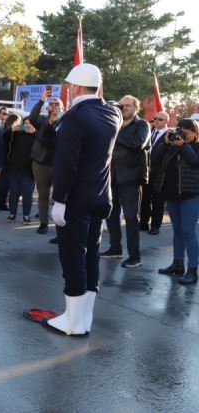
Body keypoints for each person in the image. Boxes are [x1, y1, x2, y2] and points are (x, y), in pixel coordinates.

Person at [44, 63, 121, 336]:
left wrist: (60, 199)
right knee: (91, 256)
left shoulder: (75, 117)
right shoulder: (113, 112)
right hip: (102, 196)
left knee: (72, 255)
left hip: (76, 198)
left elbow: (67, 163)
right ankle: (84, 317)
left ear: (75, 87)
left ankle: (73, 322)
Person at [100, 95, 150, 268]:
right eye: (121, 105)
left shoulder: (142, 125)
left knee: (130, 217)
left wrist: (116, 130)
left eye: (127, 105)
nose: (124, 108)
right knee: (111, 214)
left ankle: (134, 256)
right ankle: (115, 248)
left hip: (131, 177)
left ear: (136, 107)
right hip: (111, 176)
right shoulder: (113, 122)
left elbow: (138, 143)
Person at [152, 119, 199, 284]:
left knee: (188, 231)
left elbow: (194, 162)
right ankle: (177, 264)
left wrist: (183, 145)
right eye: (180, 132)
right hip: (171, 194)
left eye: (186, 133)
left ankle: (193, 270)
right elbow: (155, 160)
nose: (182, 136)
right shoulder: (171, 146)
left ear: (195, 133)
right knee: (177, 230)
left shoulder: (195, 147)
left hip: (191, 194)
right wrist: (165, 143)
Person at [28, 91, 63, 235]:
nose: (54, 106)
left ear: (62, 107)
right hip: (41, 163)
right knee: (43, 194)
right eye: (51, 104)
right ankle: (43, 223)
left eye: (57, 104)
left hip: (59, 164)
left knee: (60, 196)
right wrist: (41, 101)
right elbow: (31, 118)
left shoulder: (65, 120)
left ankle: (60, 225)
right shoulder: (42, 120)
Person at [2, 115, 37, 224]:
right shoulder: (16, 133)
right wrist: (12, 129)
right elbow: (4, 137)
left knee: (27, 194)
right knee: (13, 193)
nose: (27, 125)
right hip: (13, 168)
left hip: (29, 170)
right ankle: (12, 214)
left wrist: (35, 133)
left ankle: (26, 216)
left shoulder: (36, 136)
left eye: (29, 123)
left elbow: (44, 142)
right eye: (25, 123)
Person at [140, 111, 169, 235]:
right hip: (146, 172)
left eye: (160, 119)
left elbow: (167, 155)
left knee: (158, 200)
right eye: (155, 118)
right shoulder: (150, 132)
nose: (156, 121)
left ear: (166, 121)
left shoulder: (169, 135)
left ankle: (155, 226)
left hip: (160, 174)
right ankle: (143, 224)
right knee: (144, 199)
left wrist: (154, 167)